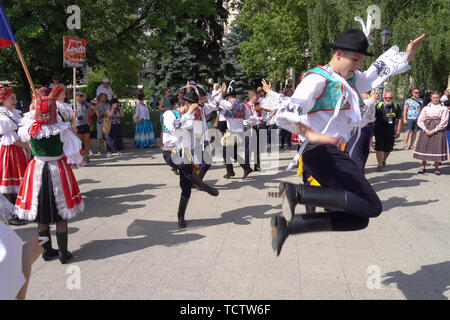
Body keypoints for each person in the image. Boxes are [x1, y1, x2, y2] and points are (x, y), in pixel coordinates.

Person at [263, 28, 425, 256]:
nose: (358, 65)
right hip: (321, 152)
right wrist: (314, 135)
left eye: (360, 60)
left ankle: (289, 226)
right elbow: (286, 114)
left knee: (359, 219)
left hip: (329, 154)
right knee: (373, 206)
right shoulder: (318, 79)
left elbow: (371, 77)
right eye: (355, 59)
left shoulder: (349, 79)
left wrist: (407, 55)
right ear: (338, 54)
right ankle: (295, 192)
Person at [16, 90, 84, 264]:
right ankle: (63, 253)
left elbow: (24, 142)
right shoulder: (61, 129)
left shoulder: (29, 127)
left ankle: (46, 252)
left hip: (36, 170)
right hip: (57, 169)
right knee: (61, 215)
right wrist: (72, 127)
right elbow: (73, 150)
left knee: (42, 216)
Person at [162, 90, 219, 228]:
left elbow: (193, 140)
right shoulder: (169, 114)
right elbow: (174, 127)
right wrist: (188, 115)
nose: (195, 111)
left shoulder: (191, 117)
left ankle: (181, 216)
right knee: (183, 165)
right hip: (171, 151)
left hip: (186, 152)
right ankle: (202, 185)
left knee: (186, 186)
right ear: (186, 104)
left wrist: (196, 158)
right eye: (194, 107)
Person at [0, 85, 31, 226]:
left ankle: (16, 211)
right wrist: (27, 146)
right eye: (11, 98)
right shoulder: (2, 115)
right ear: (3, 100)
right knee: (8, 183)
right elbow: (10, 137)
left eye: (15, 98)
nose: (14, 101)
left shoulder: (13, 113)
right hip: (9, 151)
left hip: (17, 150)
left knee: (17, 182)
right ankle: (9, 214)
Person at [217, 83, 256, 179]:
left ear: (229, 97)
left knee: (226, 152)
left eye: (227, 98)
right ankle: (242, 169)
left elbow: (217, 103)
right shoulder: (243, 106)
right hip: (240, 132)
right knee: (232, 153)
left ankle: (235, 170)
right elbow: (247, 116)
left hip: (231, 132)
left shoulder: (228, 104)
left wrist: (221, 94)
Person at [413, 92, 449, 175]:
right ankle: (423, 167)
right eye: (433, 98)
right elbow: (420, 120)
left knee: (437, 147)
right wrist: (425, 129)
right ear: (431, 98)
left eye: (437, 98)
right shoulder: (426, 108)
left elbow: (444, 121)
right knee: (425, 146)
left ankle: (436, 168)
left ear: (439, 98)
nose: (435, 99)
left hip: (438, 129)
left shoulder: (443, 108)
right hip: (427, 127)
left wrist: (435, 130)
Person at [346, 91, 378, 173]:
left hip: (367, 127)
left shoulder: (368, 99)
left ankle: (360, 176)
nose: (368, 94)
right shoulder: (356, 98)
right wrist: (371, 100)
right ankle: (357, 180)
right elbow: (360, 110)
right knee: (355, 157)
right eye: (366, 92)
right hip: (355, 129)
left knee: (364, 153)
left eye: (369, 92)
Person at [373, 91, 403, 171]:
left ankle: (383, 160)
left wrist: (398, 131)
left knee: (388, 149)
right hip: (379, 130)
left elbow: (400, 120)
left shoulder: (396, 107)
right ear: (383, 98)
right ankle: (379, 164)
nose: (388, 99)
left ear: (392, 98)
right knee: (379, 148)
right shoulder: (378, 106)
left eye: (390, 98)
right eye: (386, 98)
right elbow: (372, 118)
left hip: (390, 131)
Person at [74, 92, 93, 163]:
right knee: (78, 142)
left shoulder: (85, 103)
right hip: (77, 125)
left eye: (81, 96)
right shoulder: (72, 105)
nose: (80, 98)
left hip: (85, 124)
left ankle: (86, 156)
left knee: (87, 141)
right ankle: (80, 156)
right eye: (78, 96)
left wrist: (95, 103)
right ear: (75, 97)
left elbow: (94, 107)